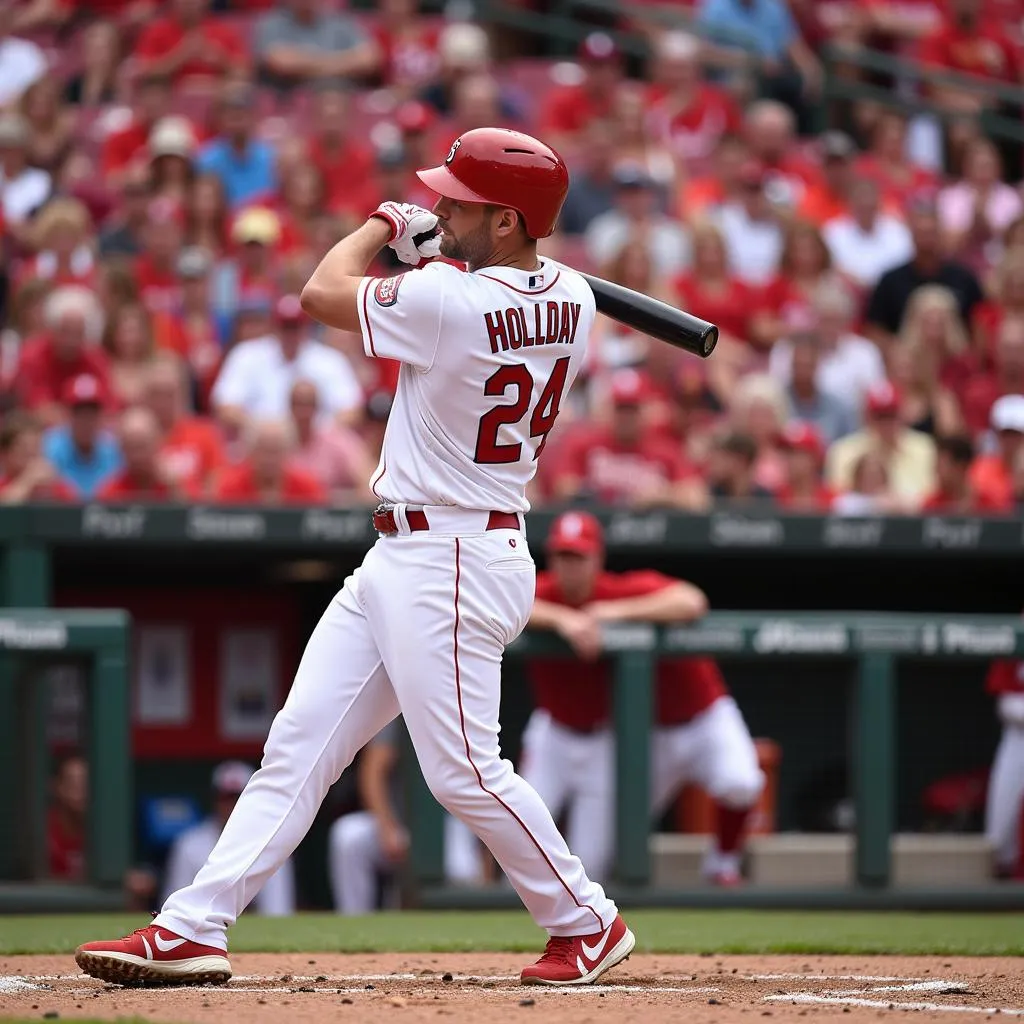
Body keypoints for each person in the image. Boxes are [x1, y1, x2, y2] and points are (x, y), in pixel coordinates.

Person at [77, 126, 633, 988]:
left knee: (461, 772)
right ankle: (194, 924)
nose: (443, 207)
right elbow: (489, 286)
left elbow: (319, 290)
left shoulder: (455, 300)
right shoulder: (572, 296)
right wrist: (439, 255)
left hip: (451, 555)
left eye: (462, 202)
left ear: (513, 223)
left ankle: (586, 919)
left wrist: (384, 227)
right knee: (296, 749)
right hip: (413, 553)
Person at [524, 511, 764, 885]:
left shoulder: (622, 589)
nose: (570, 567)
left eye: (579, 556)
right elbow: (498, 600)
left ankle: (722, 864)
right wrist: (562, 619)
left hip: (702, 717)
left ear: (597, 558)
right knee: (602, 841)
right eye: (563, 556)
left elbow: (692, 601)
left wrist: (613, 614)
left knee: (741, 782)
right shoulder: (538, 589)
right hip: (639, 732)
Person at [328, 720, 483, 914]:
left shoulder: (459, 713)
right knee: (348, 837)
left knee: (463, 871)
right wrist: (387, 827)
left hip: (451, 824)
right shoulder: (396, 712)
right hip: (401, 823)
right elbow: (372, 773)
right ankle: (354, 923)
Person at [163, 762, 295, 916]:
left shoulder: (272, 842)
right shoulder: (190, 843)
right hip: (201, 927)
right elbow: (174, 907)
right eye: (225, 798)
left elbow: (277, 909)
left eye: (238, 798)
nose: (232, 806)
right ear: (215, 800)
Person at [42, 374, 122, 499]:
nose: (85, 421)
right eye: (79, 414)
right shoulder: (49, 448)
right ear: (67, 415)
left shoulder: (114, 448)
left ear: (101, 416)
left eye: (91, 414)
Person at [984, 649, 1024, 880]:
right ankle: (1003, 878)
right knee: (1000, 826)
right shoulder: (1014, 643)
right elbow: (1005, 703)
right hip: (1018, 739)